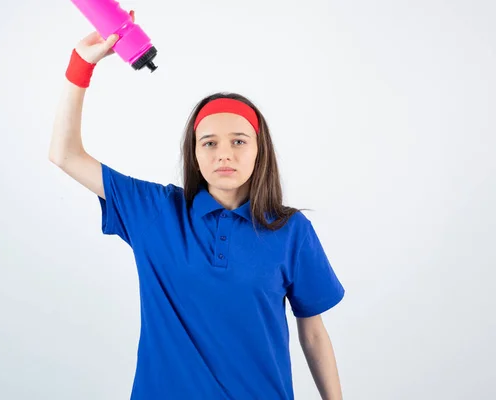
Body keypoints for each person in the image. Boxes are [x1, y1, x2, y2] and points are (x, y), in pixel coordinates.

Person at [49, 10, 345, 400]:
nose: (224, 153)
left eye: (239, 141)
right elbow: (65, 154)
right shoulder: (155, 211)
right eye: (209, 143)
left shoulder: (289, 230)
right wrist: (81, 65)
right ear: (194, 152)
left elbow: (313, 332)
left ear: (260, 151)